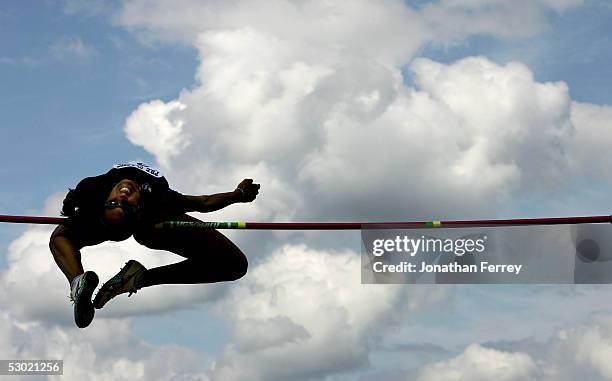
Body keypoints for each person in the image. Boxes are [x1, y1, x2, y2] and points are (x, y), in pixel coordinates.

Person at [49, 162, 259, 328]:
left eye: (117, 202)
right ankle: (80, 282)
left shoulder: (91, 189)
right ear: (138, 207)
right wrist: (238, 195)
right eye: (122, 203)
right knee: (60, 237)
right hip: (147, 224)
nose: (122, 196)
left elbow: (70, 200)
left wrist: (68, 210)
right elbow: (202, 203)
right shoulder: (158, 199)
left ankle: (128, 279)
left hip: (143, 225)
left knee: (235, 266)